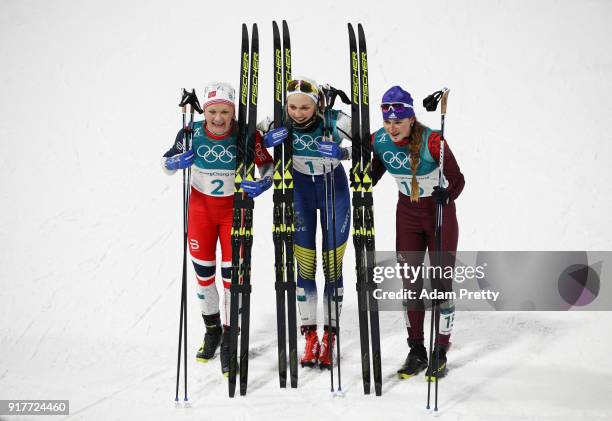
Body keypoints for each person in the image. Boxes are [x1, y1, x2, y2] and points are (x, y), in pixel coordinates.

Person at [161, 82, 273, 376]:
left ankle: (229, 339)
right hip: (200, 213)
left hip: (233, 213)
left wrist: (263, 183)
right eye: (213, 112)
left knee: (231, 281)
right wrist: (174, 161)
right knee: (204, 277)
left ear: (233, 111)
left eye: (225, 111)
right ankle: (212, 332)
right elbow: (166, 163)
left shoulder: (246, 134)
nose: (219, 118)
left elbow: (268, 167)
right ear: (205, 111)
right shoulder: (192, 132)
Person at [256, 77, 352, 369]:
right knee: (305, 266)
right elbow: (247, 140)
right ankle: (310, 337)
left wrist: (343, 153)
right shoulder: (277, 119)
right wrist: (266, 161)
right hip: (300, 193)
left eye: (304, 107)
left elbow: (370, 145)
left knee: (333, 266)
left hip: (333, 190)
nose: (297, 113)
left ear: (318, 103)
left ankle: (330, 337)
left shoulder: (335, 120)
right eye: (293, 106)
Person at [371, 86, 465, 380]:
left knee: (440, 284)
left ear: (411, 119)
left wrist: (447, 195)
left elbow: (459, 180)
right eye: (388, 121)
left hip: (438, 217)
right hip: (407, 217)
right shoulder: (380, 140)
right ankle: (417, 349)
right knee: (410, 284)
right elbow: (373, 174)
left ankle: (440, 349)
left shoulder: (434, 142)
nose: (392, 127)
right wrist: (359, 179)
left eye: (398, 121)